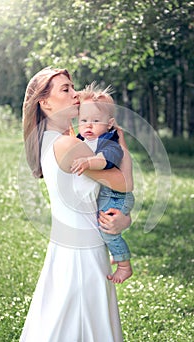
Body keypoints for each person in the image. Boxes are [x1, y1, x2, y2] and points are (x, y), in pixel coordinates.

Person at [17, 67, 133, 342]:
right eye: (65, 89)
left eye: (73, 87)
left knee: (60, 319)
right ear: (45, 103)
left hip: (68, 244)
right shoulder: (69, 144)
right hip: (84, 249)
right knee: (83, 325)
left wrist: (123, 220)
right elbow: (124, 183)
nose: (75, 93)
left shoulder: (53, 139)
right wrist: (123, 143)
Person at [71, 83, 134, 284]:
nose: (88, 126)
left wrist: (88, 162)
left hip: (117, 196)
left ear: (109, 124)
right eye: (84, 120)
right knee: (107, 230)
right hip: (108, 194)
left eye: (96, 120)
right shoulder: (84, 138)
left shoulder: (108, 142)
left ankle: (124, 266)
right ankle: (116, 252)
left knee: (107, 230)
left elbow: (106, 160)